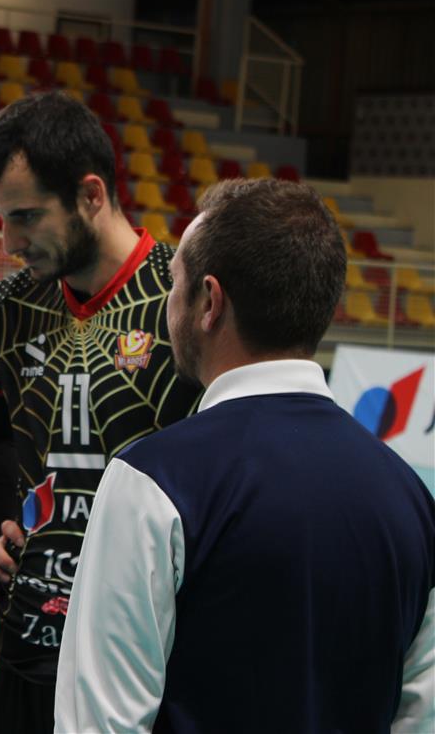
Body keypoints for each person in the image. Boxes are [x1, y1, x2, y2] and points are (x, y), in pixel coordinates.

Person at [55, 179, 435, 732]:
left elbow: (98, 722)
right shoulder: (412, 499)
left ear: (210, 302)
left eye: (174, 283)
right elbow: (420, 717)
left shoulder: (153, 481)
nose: (167, 303)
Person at [0, 91, 200, 733]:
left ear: (91, 194)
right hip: (23, 645)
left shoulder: (184, 301)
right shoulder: (8, 308)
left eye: (26, 217)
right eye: (0, 218)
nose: (9, 241)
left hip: (146, 659)